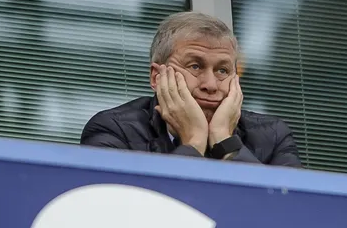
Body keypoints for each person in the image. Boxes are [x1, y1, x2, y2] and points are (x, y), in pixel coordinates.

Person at [80, 11, 302, 167]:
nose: (210, 85)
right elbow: (129, 214)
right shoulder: (114, 130)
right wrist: (194, 141)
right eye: (195, 66)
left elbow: (290, 213)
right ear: (157, 77)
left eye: (222, 71)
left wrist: (225, 143)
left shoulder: (272, 135)